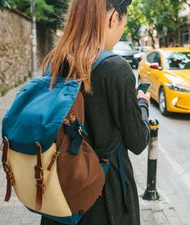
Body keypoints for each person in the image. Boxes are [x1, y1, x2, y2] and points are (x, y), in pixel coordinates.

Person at [40, 0, 150, 225]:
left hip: (60, 191)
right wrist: (143, 104)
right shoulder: (115, 68)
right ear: (113, 19)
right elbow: (138, 141)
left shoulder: (54, 60)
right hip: (103, 199)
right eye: (123, 25)